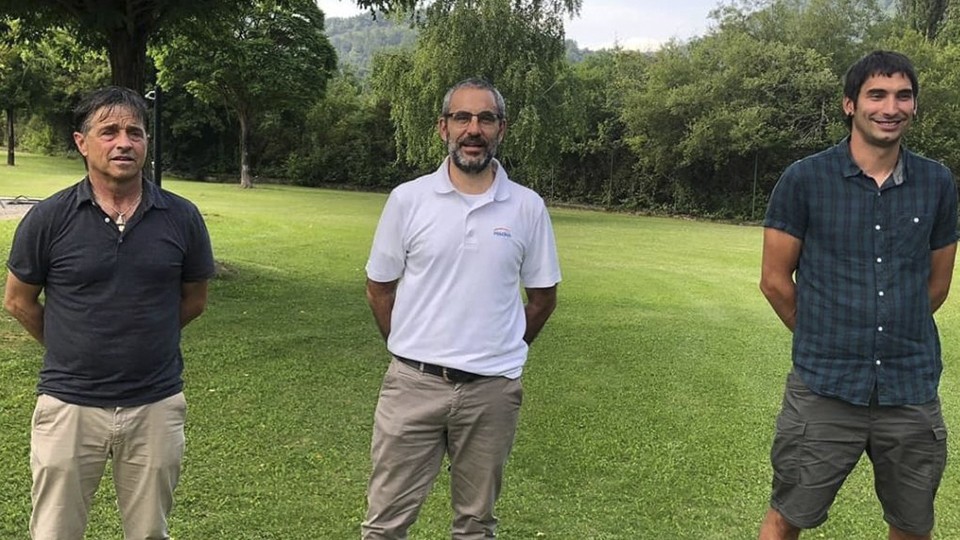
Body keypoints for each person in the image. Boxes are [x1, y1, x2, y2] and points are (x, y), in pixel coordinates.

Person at [758, 51, 958, 540]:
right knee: (788, 516)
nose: (890, 107)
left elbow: (936, 285)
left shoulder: (937, 182)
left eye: (903, 95)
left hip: (909, 390)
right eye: (877, 94)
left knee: (912, 524)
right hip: (824, 389)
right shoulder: (805, 180)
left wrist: (887, 330)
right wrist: (824, 335)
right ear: (850, 104)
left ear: (913, 106)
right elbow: (775, 279)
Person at [3, 86, 215, 540]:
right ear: (82, 142)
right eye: (110, 131)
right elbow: (18, 301)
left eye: (135, 132)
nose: (124, 142)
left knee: (148, 532)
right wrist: (72, 342)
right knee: (54, 532)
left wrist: (144, 335)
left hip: (155, 406)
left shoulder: (181, 217)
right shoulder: (49, 219)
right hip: (68, 406)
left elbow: (194, 300)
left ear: (146, 144)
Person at [361, 78, 561, 539]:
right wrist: (410, 346)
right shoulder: (408, 200)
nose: (474, 129)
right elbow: (378, 288)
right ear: (443, 128)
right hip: (412, 385)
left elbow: (543, 298)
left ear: (501, 130)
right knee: (385, 524)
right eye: (462, 118)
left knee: (475, 524)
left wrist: (503, 348)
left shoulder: (528, 207)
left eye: (485, 118)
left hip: (491, 393)